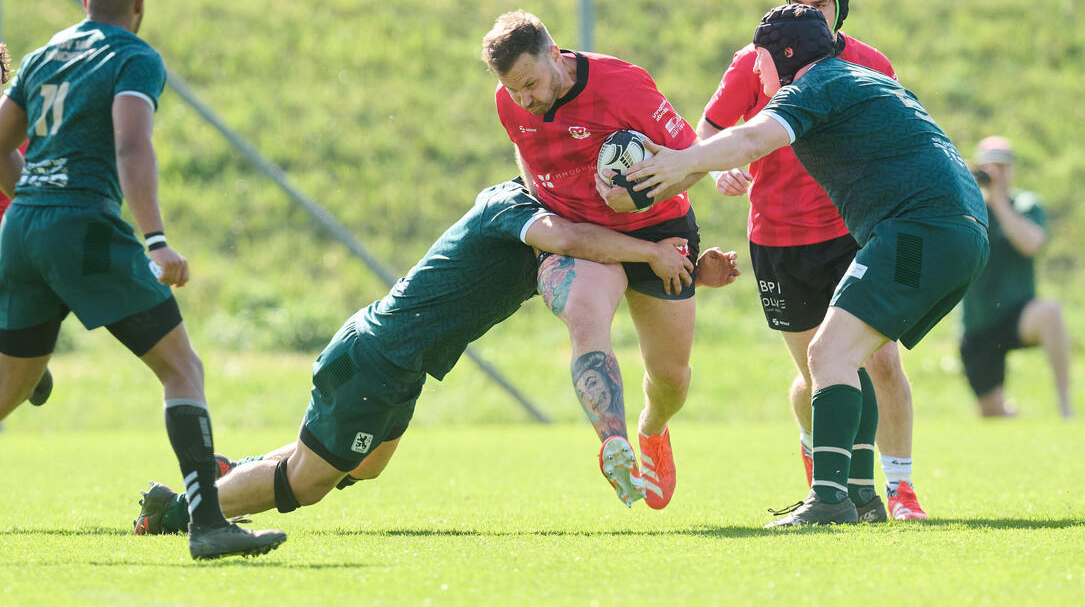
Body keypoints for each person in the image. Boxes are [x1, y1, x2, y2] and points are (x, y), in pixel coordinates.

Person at [130, 179, 740, 534]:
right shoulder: (516, 209)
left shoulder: (544, 222)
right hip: (377, 357)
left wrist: (689, 269)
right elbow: (572, 241)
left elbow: (592, 265)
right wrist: (652, 251)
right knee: (311, 482)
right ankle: (183, 512)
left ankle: (225, 474)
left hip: (395, 364)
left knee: (364, 466)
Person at [624, 4, 989, 526]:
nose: (756, 72)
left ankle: (830, 501)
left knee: (829, 354)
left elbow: (750, 139)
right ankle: (860, 496)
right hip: (959, 230)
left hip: (919, 232)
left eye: (760, 63)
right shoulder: (853, 77)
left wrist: (677, 162)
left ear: (783, 57)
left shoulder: (812, 87)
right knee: (845, 355)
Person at [0, 0, 286, 559]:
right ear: (139, 7)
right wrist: (156, 240)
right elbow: (131, 145)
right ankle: (208, 523)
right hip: (84, 226)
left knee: (11, 387)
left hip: (21, 227)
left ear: (83, 3)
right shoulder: (134, 56)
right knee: (181, 368)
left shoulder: (45, 54)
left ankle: (208, 519)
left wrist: (33, 191)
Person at [699, 0, 927, 520]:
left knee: (878, 363)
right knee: (815, 372)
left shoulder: (869, 64)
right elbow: (710, 130)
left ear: (840, 11)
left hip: (852, 230)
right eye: (799, 4)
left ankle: (897, 492)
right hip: (776, 236)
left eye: (821, 5)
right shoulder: (754, 61)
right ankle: (826, 477)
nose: (810, 15)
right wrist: (713, 168)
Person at [481, 10, 708, 509]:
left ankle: (652, 430)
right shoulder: (510, 100)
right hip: (583, 237)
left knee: (672, 376)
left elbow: (694, 159)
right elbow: (527, 149)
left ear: (556, 56)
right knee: (584, 312)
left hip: (659, 232)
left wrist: (644, 194)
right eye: (514, 90)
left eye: (532, 84)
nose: (525, 100)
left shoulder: (625, 86)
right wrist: (551, 212)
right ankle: (614, 443)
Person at [960, 136, 1073, 419]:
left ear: (1012, 170)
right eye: (989, 167)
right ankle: (1017, 416)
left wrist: (998, 200)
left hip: (1018, 314)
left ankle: (1065, 407)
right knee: (992, 415)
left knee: (1050, 313)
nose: (995, 173)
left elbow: (1032, 243)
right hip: (978, 322)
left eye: (1002, 167)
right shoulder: (967, 206)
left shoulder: (1025, 204)